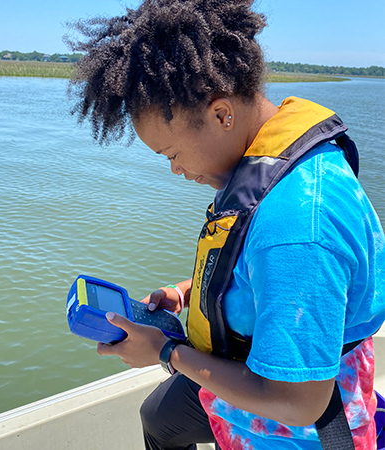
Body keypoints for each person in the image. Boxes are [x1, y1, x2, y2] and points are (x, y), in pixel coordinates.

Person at [66, 0, 385, 449]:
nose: (176, 171)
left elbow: (298, 402)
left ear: (221, 114)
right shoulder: (258, 156)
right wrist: (185, 294)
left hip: (299, 418)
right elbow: (251, 269)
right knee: (159, 416)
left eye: (172, 154)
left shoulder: (296, 229)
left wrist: (164, 351)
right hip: (247, 363)